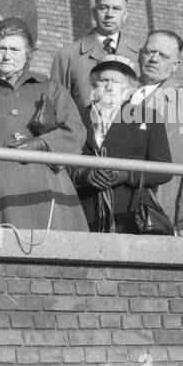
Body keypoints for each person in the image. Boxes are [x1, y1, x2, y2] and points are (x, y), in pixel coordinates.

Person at [0, 17, 87, 231]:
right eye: (0, 48)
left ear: (28, 53)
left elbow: (75, 131)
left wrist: (42, 144)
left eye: (15, 49)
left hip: (48, 187)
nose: (7, 55)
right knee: (0, 258)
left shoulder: (50, 87)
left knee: (56, 254)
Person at [70, 54, 171, 233]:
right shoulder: (75, 116)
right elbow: (62, 161)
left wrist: (129, 175)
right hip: (83, 213)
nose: (109, 87)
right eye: (103, 80)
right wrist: (84, 175)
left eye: (116, 82)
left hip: (131, 214)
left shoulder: (148, 117)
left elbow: (164, 170)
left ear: (129, 88)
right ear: (93, 85)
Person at [132, 30, 183, 231]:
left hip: (163, 210)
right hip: (121, 205)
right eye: (150, 52)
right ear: (140, 54)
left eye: (164, 56)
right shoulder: (120, 93)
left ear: (176, 65)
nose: (154, 59)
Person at [50, 0, 138, 109]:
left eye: (116, 9)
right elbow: (57, 108)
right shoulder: (68, 56)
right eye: (103, 8)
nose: (109, 14)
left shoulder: (141, 55)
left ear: (125, 14)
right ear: (93, 12)